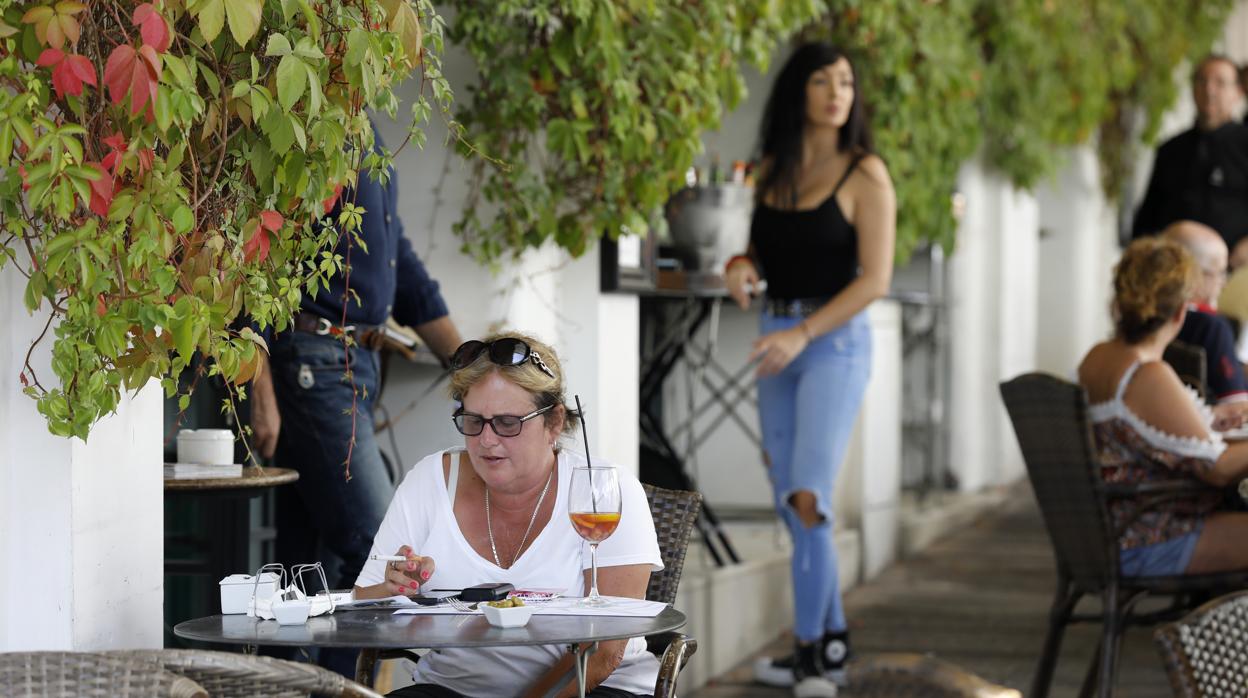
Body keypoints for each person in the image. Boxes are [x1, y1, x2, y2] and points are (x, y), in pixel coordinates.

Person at [249, 125, 463, 676]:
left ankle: (290, 688)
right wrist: (258, 383)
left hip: (351, 365)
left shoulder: (366, 124)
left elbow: (401, 267)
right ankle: (345, 690)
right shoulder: (318, 116)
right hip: (314, 363)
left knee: (304, 567)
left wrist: (469, 363)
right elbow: (258, 249)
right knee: (380, 549)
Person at [724, 42, 896, 698]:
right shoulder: (774, 169)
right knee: (786, 497)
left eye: (847, 81)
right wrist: (741, 265)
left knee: (808, 497)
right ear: (799, 90)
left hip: (833, 343)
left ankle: (810, 659)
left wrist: (802, 333)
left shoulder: (866, 174)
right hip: (776, 337)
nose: (836, 92)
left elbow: (875, 279)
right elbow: (760, 251)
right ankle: (831, 641)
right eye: (823, 80)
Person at [354, 333, 663, 698]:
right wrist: (393, 589)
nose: (486, 440)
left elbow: (606, 651)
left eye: (507, 422)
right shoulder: (430, 480)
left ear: (554, 422)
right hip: (454, 689)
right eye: (473, 420)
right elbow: (364, 605)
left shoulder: (604, 492)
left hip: (592, 687)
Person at [1078, 237, 1248, 578]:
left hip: (1117, 529)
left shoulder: (1098, 357)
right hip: (1149, 537)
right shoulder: (1147, 373)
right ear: (1182, 310)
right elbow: (1219, 470)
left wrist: (1209, 419)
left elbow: (1139, 430)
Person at [1133, 55, 1248, 250]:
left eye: (1220, 83)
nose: (1209, 90)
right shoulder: (1171, 150)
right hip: (1177, 271)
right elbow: (1148, 218)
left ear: (1238, 92)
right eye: (1202, 81)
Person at [1162, 221, 1248, 427]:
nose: (1224, 281)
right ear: (1191, 273)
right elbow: (1237, 408)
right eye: (1219, 272)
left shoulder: (1147, 318)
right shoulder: (1211, 327)